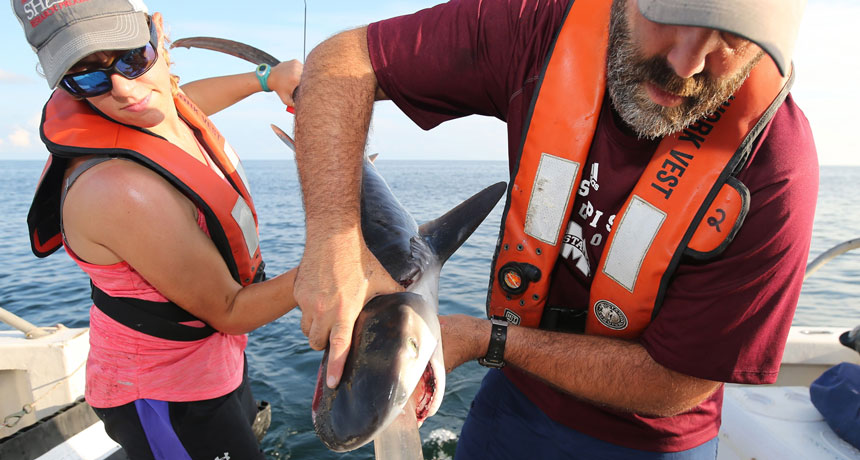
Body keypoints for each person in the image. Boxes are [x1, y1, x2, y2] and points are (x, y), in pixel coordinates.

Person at [292, 0, 818, 458]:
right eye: (667, 14)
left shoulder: (775, 168)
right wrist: (333, 241)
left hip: (646, 442)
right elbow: (342, 62)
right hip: (511, 402)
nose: (686, 63)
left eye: (730, 39)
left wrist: (487, 339)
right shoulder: (537, 26)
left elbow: (677, 383)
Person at [13, 1, 302, 458]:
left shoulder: (143, 106)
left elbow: (182, 104)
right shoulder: (118, 190)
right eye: (86, 76)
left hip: (213, 360)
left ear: (159, 33)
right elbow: (229, 309)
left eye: (132, 57)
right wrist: (339, 266)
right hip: (167, 394)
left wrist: (265, 78)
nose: (126, 90)